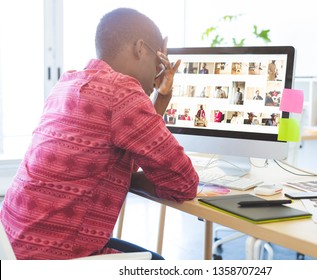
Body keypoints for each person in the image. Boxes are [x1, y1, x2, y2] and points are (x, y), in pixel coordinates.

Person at [0, 8, 199, 260]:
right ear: (140, 48)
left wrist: (159, 100)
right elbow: (185, 183)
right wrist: (136, 180)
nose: (158, 74)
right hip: (55, 260)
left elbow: (121, 160)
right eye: (159, 62)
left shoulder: (67, 84)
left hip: (12, 248)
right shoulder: (122, 92)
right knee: (160, 264)